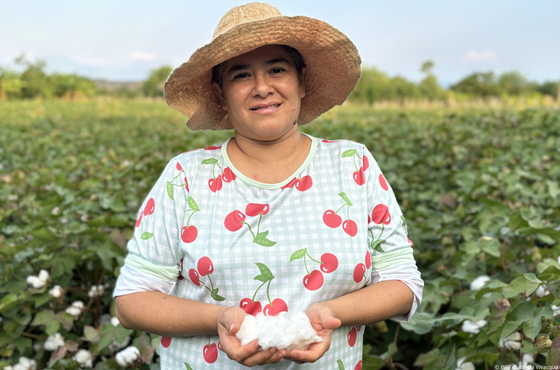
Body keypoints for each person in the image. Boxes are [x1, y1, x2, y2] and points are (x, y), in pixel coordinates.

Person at [114, 3, 424, 369]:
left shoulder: (352, 164)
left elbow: (403, 283)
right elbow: (133, 300)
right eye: (241, 75)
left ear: (301, 82)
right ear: (221, 94)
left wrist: (327, 315)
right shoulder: (186, 175)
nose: (262, 88)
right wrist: (218, 319)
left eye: (277, 69)